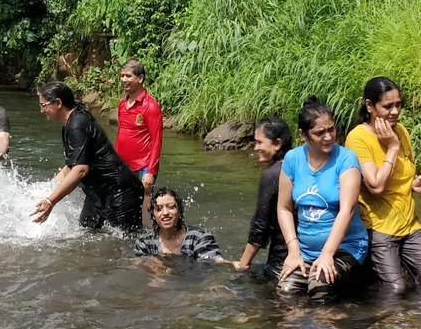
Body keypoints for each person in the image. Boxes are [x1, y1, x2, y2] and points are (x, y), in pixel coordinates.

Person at [345, 77, 421, 297]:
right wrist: (392, 146)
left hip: (409, 224)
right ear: (370, 106)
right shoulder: (358, 138)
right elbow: (376, 186)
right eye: (387, 106)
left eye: (398, 104)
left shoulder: (401, 130)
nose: (394, 112)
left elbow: (402, 178)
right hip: (379, 226)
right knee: (395, 289)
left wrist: (418, 184)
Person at [276, 97, 370, 302]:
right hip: (306, 251)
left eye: (331, 129)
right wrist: (293, 251)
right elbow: (283, 208)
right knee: (285, 291)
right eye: (319, 133)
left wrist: (327, 253)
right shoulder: (292, 159)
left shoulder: (346, 159)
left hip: (346, 248)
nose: (328, 137)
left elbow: (347, 210)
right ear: (303, 135)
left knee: (319, 286)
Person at [31, 82, 144, 232]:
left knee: (127, 242)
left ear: (58, 103)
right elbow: (72, 166)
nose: (41, 110)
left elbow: (80, 170)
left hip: (120, 191)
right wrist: (46, 190)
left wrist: (51, 201)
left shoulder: (77, 124)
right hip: (98, 193)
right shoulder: (70, 124)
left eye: (43, 105)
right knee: (86, 232)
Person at [233, 117, 293, 277]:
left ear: (277, 144)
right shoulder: (297, 166)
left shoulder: (272, 174)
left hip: (282, 260)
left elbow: (260, 225)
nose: (255, 147)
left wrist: (243, 264)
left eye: (259, 142)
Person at [133, 187, 225, 261]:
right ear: (153, 215)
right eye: (159, 208)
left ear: (179, 211)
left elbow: (217, 263)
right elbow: (138, 269)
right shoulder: (145, 242)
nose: (165, 213)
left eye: (171, 207)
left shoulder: (198, 238)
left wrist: (237, 265)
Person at [114, 59, 163, 193]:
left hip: (143, 168)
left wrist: (151, 172)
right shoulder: (122, 104)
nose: (124, 79)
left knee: (143, 208)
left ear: (140, 78)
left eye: (128, 76)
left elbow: (156, 141)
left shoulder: (151, 107)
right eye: (122, 76)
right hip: (122, 166)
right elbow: (120, 134)